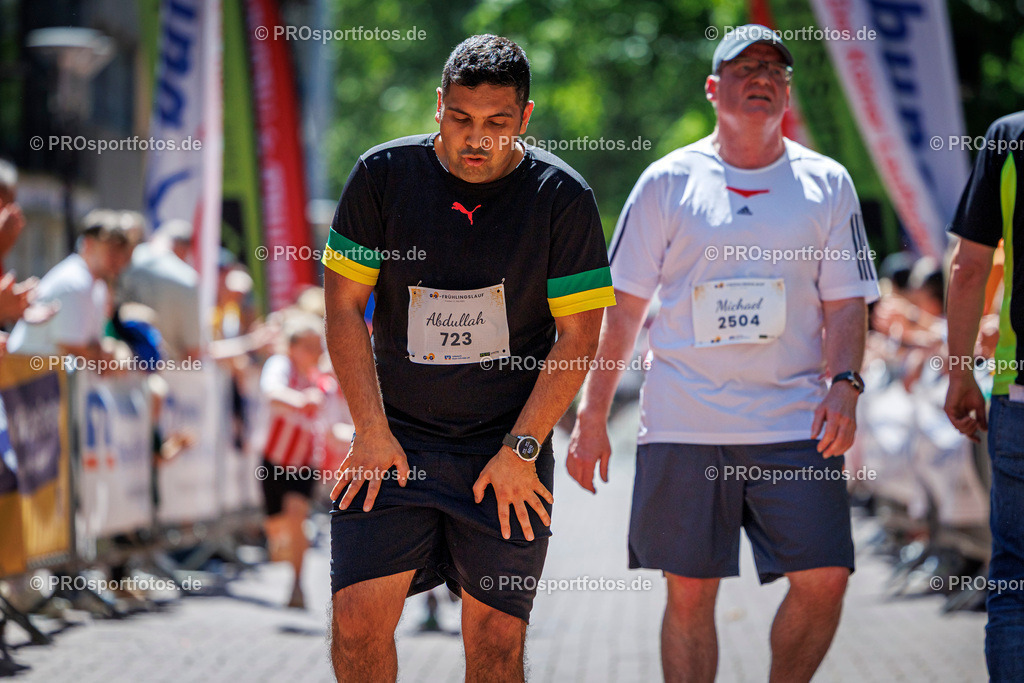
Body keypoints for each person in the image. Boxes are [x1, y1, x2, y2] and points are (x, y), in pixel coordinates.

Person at [567, 25, 879, 683]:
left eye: (774, 67)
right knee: (689, 592)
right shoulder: (667, 181)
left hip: (794, 422)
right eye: (744, 68)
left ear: (788, 90)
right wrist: (592, 417)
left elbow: (848, 301)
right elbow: (620, 310)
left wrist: (846, 383)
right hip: (685, 420)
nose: (762, 76)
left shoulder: (827, 182)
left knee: (823, 578)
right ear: (714, 89)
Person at [323, 34, 614, 683]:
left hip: (505, 450)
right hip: (395, 443)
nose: (475, 138)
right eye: (461, 119)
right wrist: (369, 429)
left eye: (497, 124)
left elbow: (578, 338)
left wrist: (524, 446)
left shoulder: (561, 199)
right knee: (356, 621)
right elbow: (343, 309)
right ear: (438, 106)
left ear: (526, 118)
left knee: (495, 640)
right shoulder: (382, 176)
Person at [943, 110, 1024, 683]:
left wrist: (959, 373)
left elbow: (969, 269)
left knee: (1016, 579)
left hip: (1019, 392)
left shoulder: (1009, 136)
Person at [259, 314, 328, 609]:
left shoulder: (320, 374)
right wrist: (302, 401)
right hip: (274, 461)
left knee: (297, 517)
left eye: (319, 346)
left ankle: (298, 585)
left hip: (303, 464)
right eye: (310, 346)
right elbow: (271, 393)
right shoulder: (280, 366)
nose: (316, 353)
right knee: (278, 531)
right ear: (293, 346)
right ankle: (289, 565)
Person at [8, 209, 134, 358]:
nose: (118, 259)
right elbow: (72, 348)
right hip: (29, 375)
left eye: (121, 251)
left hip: (48, 375)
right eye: (111, 249)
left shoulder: (97, 284)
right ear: (88, 244)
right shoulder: (75, 282)